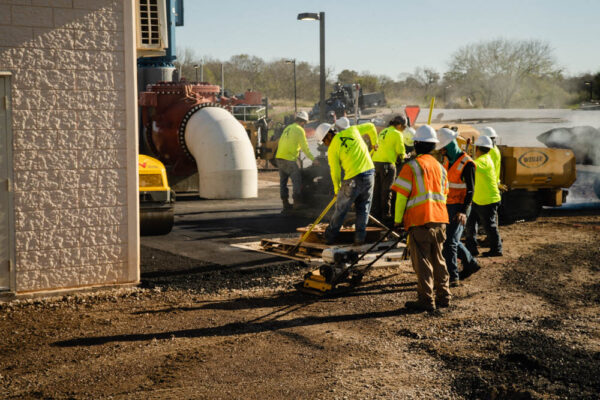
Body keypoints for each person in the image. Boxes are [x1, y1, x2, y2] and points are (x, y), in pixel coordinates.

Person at [391, 125, 450, 312]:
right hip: (440, 219)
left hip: (420, 221)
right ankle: (444, 295)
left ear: (415, 144)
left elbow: (401, 197)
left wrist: (397, 220)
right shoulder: (441, 168)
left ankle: (426, 300)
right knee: (439, 258)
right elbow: (445, 194)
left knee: (423, 261)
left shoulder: (411, 167)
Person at [314, 121, 375, 246]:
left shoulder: (332, 149)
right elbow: (371, 127)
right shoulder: (353, 130)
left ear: (328, 136)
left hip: (353, 179)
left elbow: (335, 172)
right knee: (363, 209)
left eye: (324, 142)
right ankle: (359, 239)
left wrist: (337, 189)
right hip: (369, 175)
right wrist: (375, 143)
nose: (325, 145)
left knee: (341, 209)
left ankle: (329, 237)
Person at [436, 128, 481, 286]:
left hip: (460, 206)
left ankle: (453, 276)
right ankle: (471, 264)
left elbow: (471, 190)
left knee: (450, 242)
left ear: (448, 146)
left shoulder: (467, 164)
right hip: (449, 204)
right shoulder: (448, 160)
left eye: (442, 148)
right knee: (451, 239)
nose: (441, 151)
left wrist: (463, 211)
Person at [465, 135, 503, 257]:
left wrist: (463, 155)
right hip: (479, 199)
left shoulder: (484, 161)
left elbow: (471, 165)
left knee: (489, 226)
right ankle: (472, 249)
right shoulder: (485, 158)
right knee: (471, 224)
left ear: (477, 149)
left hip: (488, 200)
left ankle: (497, 249)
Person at [275, 111, 315, 211]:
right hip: (289, 159)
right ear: (303, 122)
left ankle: (285, 203)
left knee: (283, 182)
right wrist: (314, 160)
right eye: (305, 123)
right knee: (297, 180)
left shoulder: (288, 128)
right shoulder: (299, 130)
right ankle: (297, 203)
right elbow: (305, 148)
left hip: (279, 157)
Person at [371, 115, 406, 223]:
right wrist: (405, 157)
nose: (403, 129)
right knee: (386, 192)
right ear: (399, 125)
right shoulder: (397, 134)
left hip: (375, 163)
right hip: (387, 165)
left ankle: (374, 217)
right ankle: (386, 217)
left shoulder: (383, 131)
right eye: (403, 127)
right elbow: (401, 152)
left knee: (376, 191)